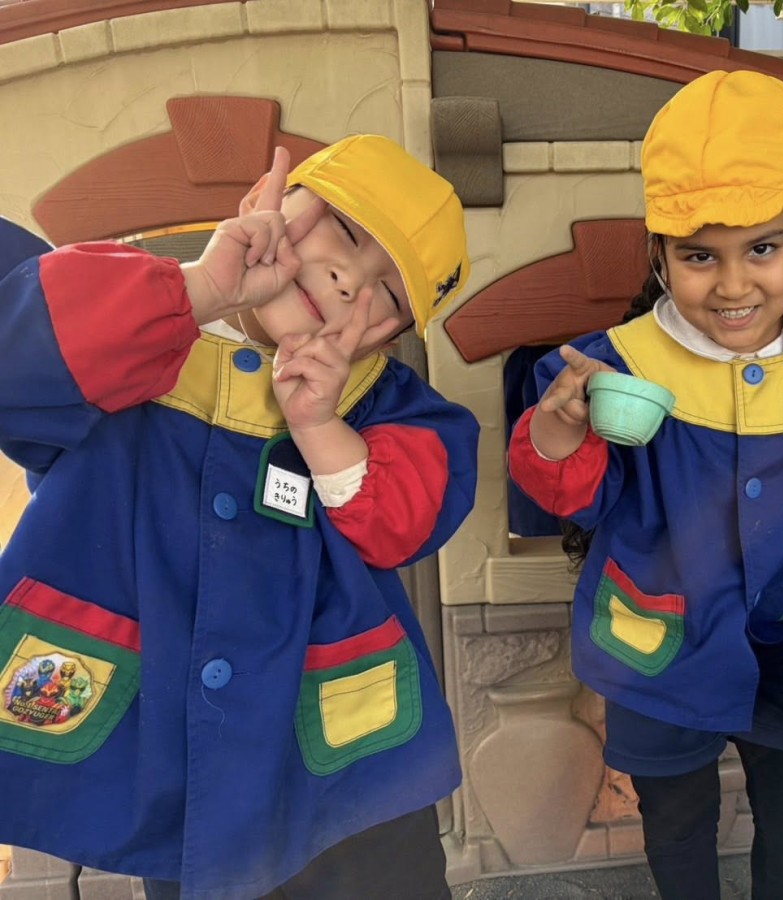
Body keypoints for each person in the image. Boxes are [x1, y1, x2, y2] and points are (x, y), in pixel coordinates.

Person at [0, 135, 479, 899]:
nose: (350, 280)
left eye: (390, 294)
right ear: (267, 196)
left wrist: (320, 426)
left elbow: (404, 521)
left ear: (391, 338)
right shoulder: (132, 337)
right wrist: (199, 290)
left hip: (347, 778)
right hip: (167, 760)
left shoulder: (394, 411)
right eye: (343, 230)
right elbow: (16, 359)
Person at [508, 70, 783, 900]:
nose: (734, 286)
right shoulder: (612, 368)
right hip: (657, 654)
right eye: (700, 255)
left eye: (761, 248)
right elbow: (571, 498)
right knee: (674, 820)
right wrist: (558, 433)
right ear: (661, 254)